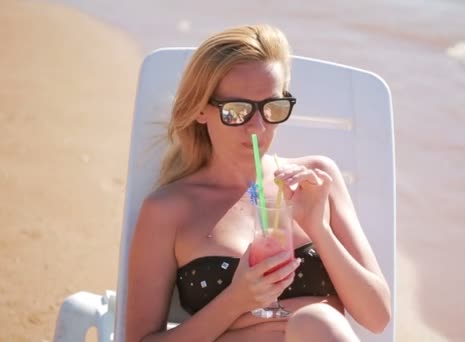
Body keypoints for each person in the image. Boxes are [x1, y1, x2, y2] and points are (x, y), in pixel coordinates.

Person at [126, 24, 391, 342]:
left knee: (319, 323)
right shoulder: (169, 209)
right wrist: (236, 301)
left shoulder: (317, 181)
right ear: (200, 108)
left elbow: (377, 318)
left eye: (272, 108)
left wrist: (318, 228)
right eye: (237, 110)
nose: (257, 127)